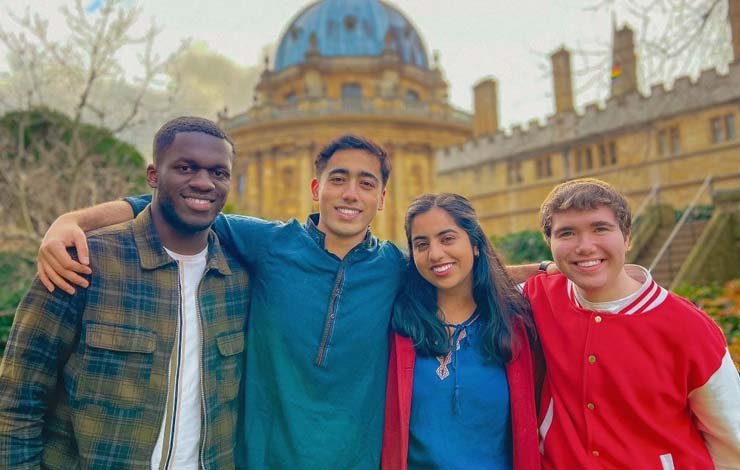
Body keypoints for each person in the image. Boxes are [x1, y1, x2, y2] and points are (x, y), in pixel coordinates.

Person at [33, 135, 547, 468]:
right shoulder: (269, 243)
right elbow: (166, 206)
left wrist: (550, 271)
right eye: (338, 179)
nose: (350, 193)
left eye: (365, 183)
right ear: (317, 188)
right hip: (265, 457)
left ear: (381, 198)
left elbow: (455, 271)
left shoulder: (395, 266)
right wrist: (72, 221)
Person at [0, 116, 250, 468]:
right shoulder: (84, 262)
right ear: (153, 175)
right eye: (185, 168)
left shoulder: (238, 279)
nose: (203, 182)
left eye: (218, 172)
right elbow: (17, 401)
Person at [525, 178, 740, 469]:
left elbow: (732, 436)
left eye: (600, 229)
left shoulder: (689, 327)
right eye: (567, 233)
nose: (585, 246)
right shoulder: (538, 296)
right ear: (549, 244)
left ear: (627, 238)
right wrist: (541, 268)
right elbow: (472, 276)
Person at [382, 193, 542, 470]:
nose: (435, 254)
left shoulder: (518, 323)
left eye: (447, 239)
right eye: (421, 244)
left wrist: (544, 268)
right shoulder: (397, 324)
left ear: (475, 244)